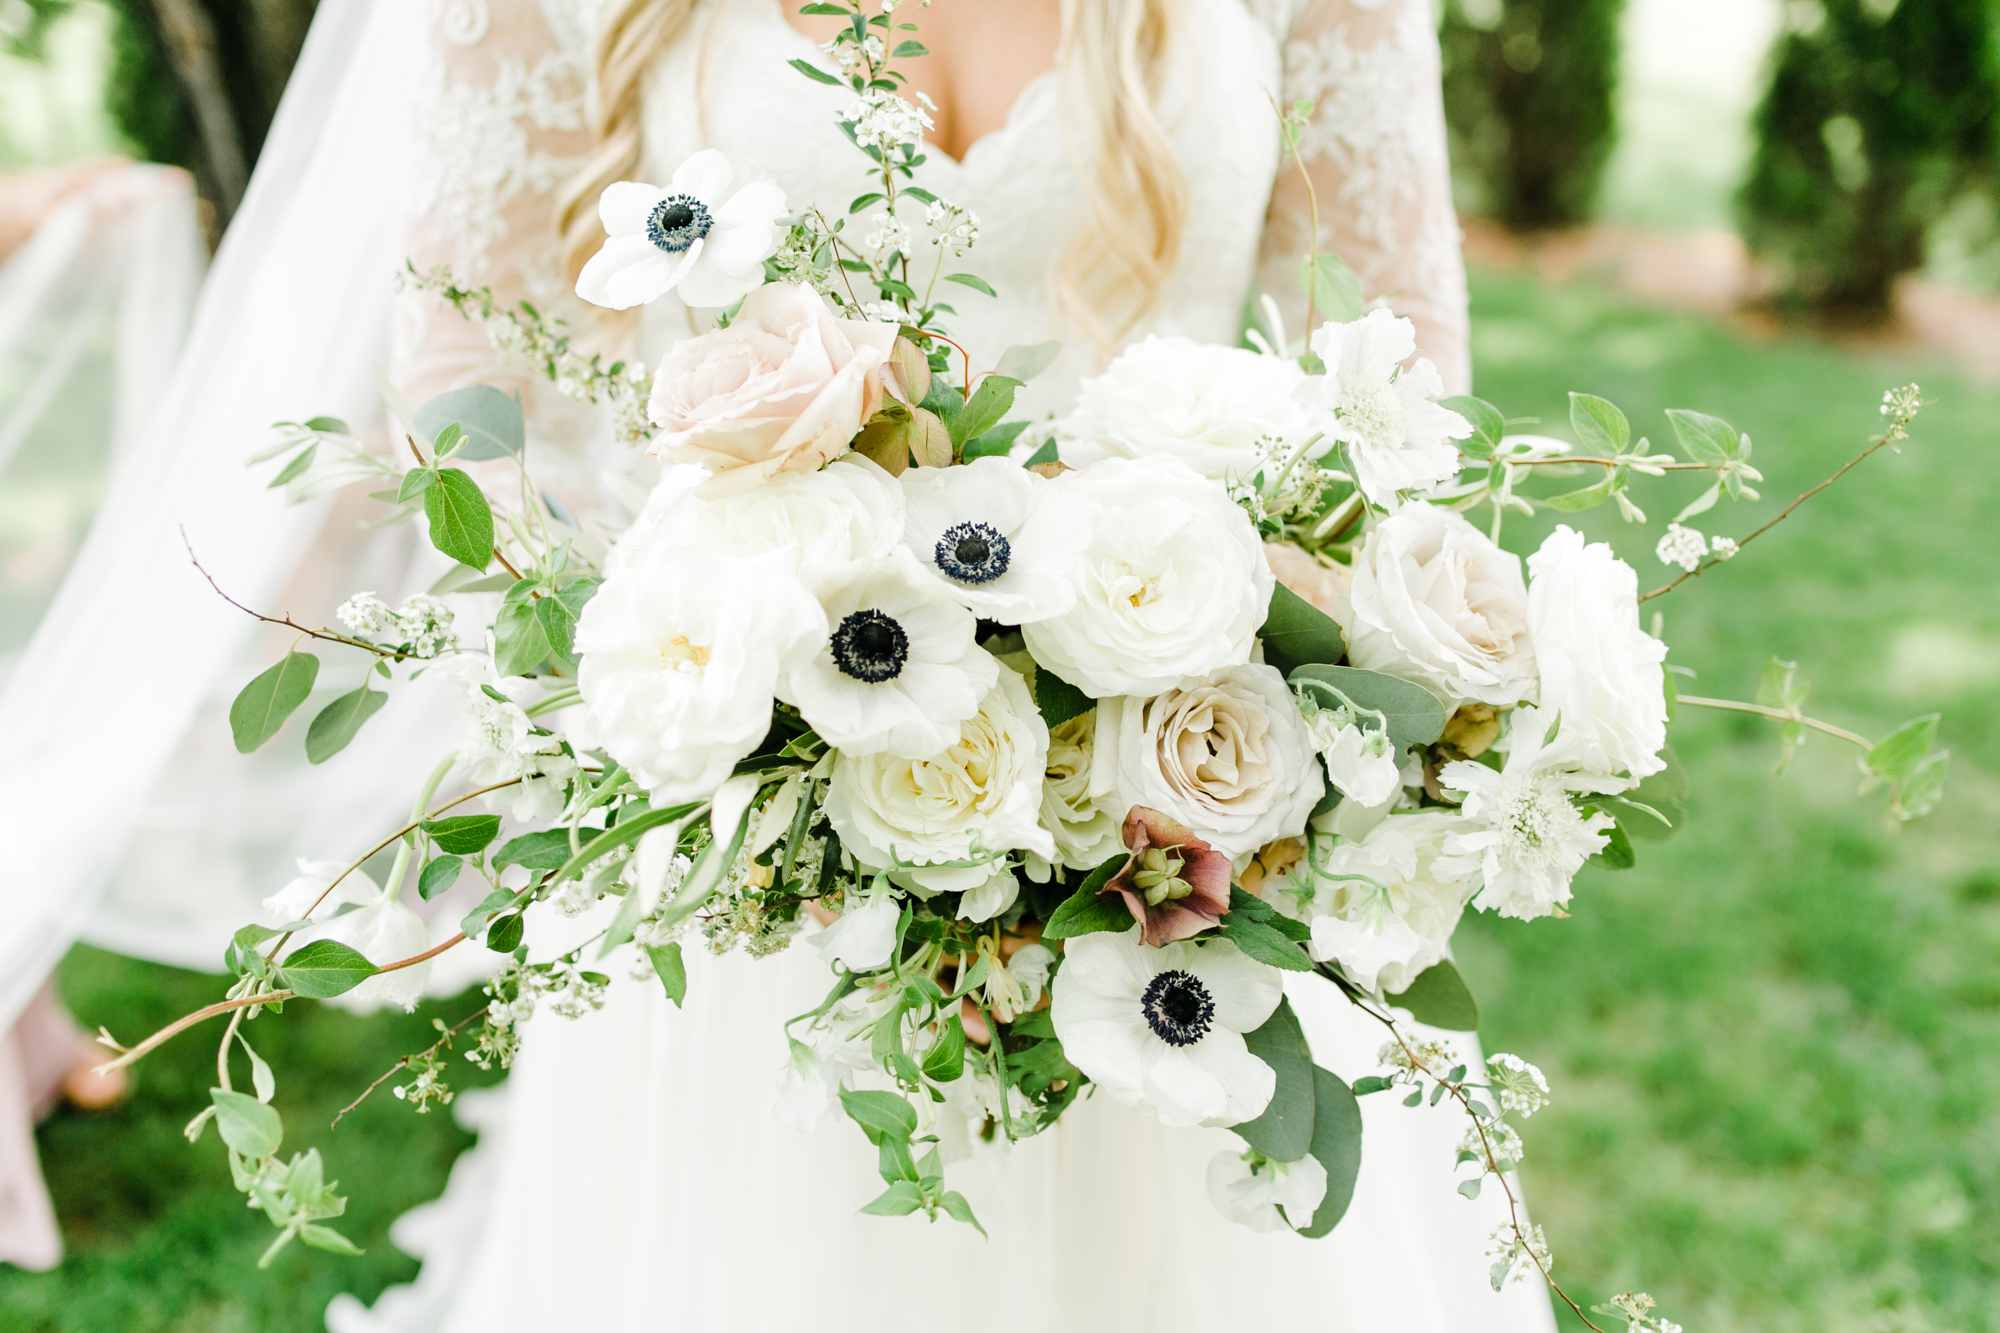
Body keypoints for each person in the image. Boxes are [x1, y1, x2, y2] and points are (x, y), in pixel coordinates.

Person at [320, 2, 1557, 1330]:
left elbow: (1395, 361)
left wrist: (1219, 694)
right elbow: (467, 387)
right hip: (756, 870)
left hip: (1188, 835)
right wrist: (689, 693)